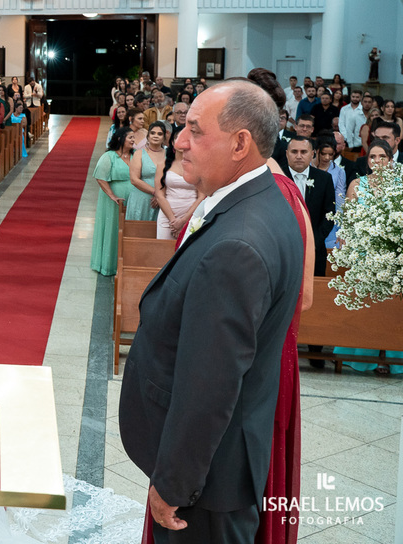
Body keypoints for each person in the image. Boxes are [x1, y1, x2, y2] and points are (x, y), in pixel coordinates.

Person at [120, 80, 303, 544]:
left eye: (195, 131)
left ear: (241, 143)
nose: (179, 140)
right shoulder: (261, 200)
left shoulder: (238, 244)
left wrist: (174, 483)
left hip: (206, 485)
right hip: (222, 465)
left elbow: (211, 385)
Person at [334, 140, 403, 375]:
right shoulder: (357, 184)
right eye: (372, 157)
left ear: (390, 160)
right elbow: (348, 220)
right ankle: (362, 357)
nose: (376, 161)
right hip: (363, 255)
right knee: (366, 307)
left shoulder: (399, 185)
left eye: (382, 156)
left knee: (391, 310)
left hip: (393, 256)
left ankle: (390, 357)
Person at [283, 135, 335, 278]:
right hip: (282, 251)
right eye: (294, 152)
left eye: (304, 152)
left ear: (312, 154)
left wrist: (314, 241)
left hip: (315, 249)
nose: (299, 156)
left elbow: (329, 214)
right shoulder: (276, 178)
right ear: (287, 154)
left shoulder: (324, 179)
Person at [90, 126, 134, 277]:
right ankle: (108, 264)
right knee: (112, 228)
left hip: (133, 199)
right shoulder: (109, 156)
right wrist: (112, 196)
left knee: (129, 229)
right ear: (120, 139)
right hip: (113, 200)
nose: (133, 140)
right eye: (130, 137)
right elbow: (100, 177)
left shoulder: (136, 156)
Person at [153, 127, 201, 241]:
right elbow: (159, 195)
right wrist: (173, 220)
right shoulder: (163, 165)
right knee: (163, 253)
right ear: (173, 142)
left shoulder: (198, 165)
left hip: (191, 216)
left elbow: (202, 196)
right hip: (168, 216)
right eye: (178, 138)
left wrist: (183, 221)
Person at [127, 121, 167, 221]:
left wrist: (162, 196)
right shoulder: (139, 154)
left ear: (164, 138)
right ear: (148, 136)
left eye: (160, 134)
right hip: (142, 199)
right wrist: (156, 193)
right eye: (153, 133)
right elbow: (134, 179)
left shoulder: (169, 155)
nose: (155, 136)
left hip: (164, 199)